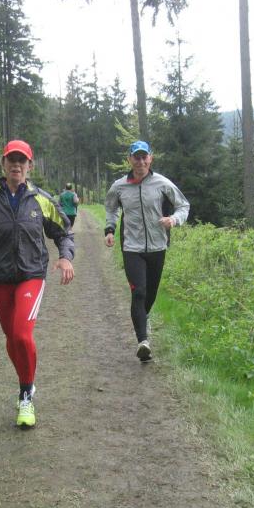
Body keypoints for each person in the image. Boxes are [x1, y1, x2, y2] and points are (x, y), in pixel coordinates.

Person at [0, 139, 75, 428]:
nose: (16, 165)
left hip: (32, 274)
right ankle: (27, 382)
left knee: (21, 334)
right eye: (11, 160)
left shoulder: (41, 200)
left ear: (30, 166)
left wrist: (65, 257)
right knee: (11, 337)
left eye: (22, 161)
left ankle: (26, 396)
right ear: (3, 164)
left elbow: (64, 232)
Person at [104, 140, 190, 362]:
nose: (140, 161)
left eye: (144, 157)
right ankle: (143, 342)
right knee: (139, 292)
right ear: (129, 160)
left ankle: (145, 316)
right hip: (131, 247)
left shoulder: (162, 183)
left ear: (150, 158)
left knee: (150, 294)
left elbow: (183, 205)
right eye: (136, 157)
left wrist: (174, 219)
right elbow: (111, 208)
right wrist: (110, 229)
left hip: (157, 247)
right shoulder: (119, 186)